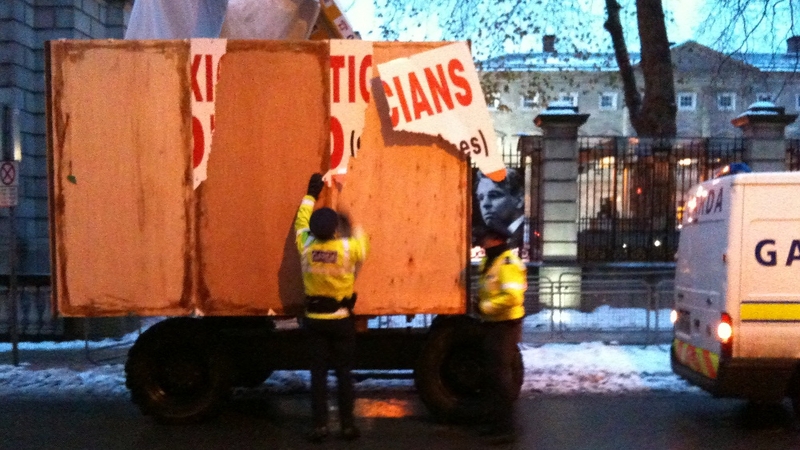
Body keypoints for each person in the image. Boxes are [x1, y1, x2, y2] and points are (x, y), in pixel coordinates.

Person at [295, 173, 369, 443]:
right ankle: (348, 426)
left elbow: (301, 222)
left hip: (314, 319)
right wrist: (350, 221)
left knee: (318, 376)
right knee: (344, 374)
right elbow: (363, 241)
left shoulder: (305, 245)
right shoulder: (348, 249)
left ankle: (319, 427)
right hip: (340, 320)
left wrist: (310, 195)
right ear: (334, 229)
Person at [474, 222, 527, 445]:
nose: (482, 240)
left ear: (497, 239)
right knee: (492, 376)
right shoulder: (490, 261)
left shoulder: (507, 263)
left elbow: (513, 298)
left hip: (506, 325)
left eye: (486, 237)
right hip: (493, 325)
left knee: (501, 378)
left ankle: (506, 427)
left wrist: (486, 307)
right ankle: (495, 422)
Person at [474, 168, 525, 251]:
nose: (485, 204)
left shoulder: (527, 234)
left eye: (494, 195)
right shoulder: (491, 234)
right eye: (481, 198)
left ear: (519, 199)